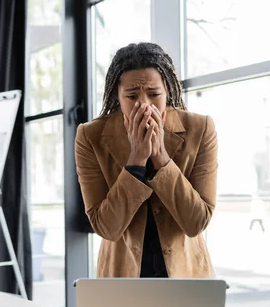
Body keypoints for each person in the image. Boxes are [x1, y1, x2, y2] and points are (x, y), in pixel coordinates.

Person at [75, 42, 218, 278]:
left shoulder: (200, 129)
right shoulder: (90, 136)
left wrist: (160, 156)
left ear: (168, 92)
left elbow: (197, 221)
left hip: (186, 279)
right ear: (117, 97)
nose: (144, 104)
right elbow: (106, 227)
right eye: (132, 96)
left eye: (154, 94)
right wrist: (136, 160)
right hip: (122, 279)